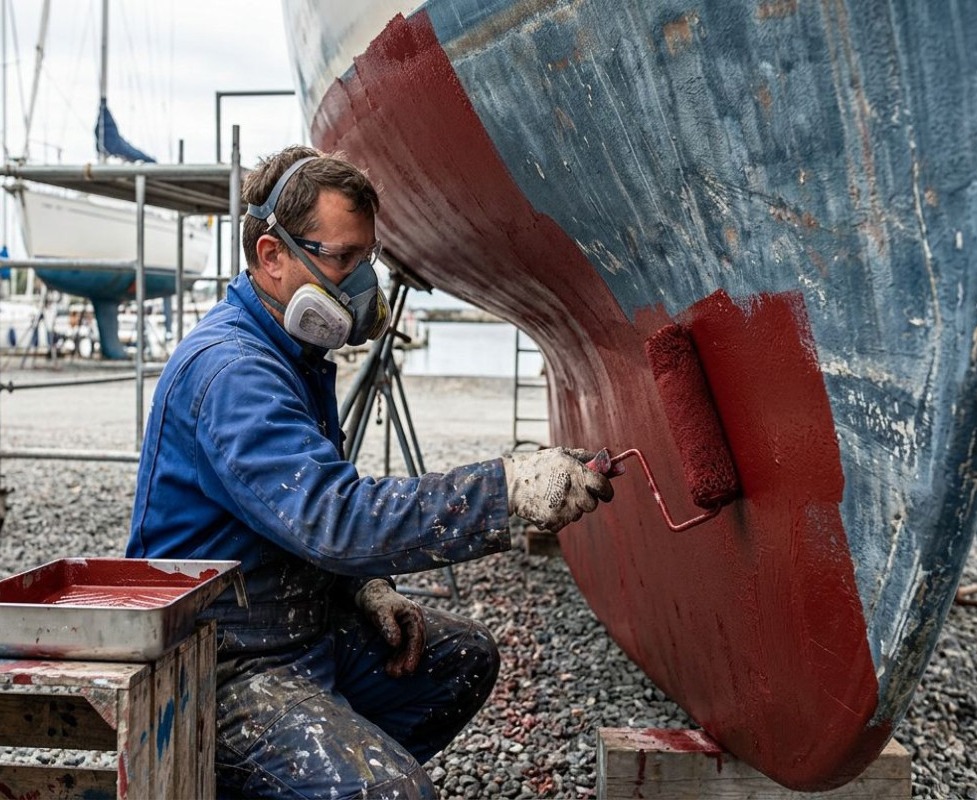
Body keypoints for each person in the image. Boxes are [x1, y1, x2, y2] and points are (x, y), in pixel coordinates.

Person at [128, 145, 613, 799]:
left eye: (368, 259)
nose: (362, 286)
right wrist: (509, 491)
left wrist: (363, 586)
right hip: (222, 662)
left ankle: (314, 773)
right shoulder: (233, 371)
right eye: (343, 260)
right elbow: (335, 518)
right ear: (272, 257)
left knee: (463, 660)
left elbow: (300, 512)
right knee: (394, 794)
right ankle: (263, 779)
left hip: (296, 630)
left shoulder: (294, 354)